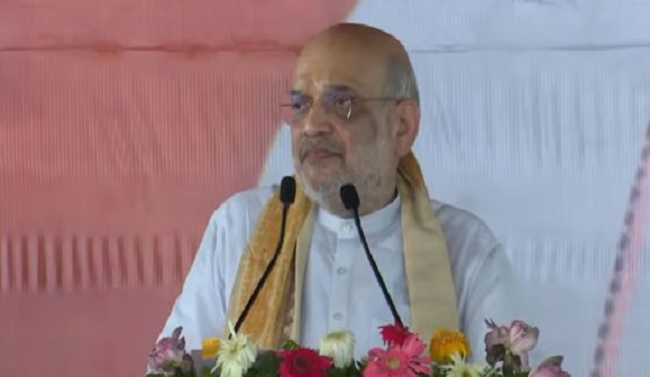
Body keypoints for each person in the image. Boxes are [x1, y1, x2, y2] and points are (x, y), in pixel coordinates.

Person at [156, 23, 518, 359]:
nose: (311, 125)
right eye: (300, 105)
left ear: (402, 126)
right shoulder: (238, 229)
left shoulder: (466, 251)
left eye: (342, 103)